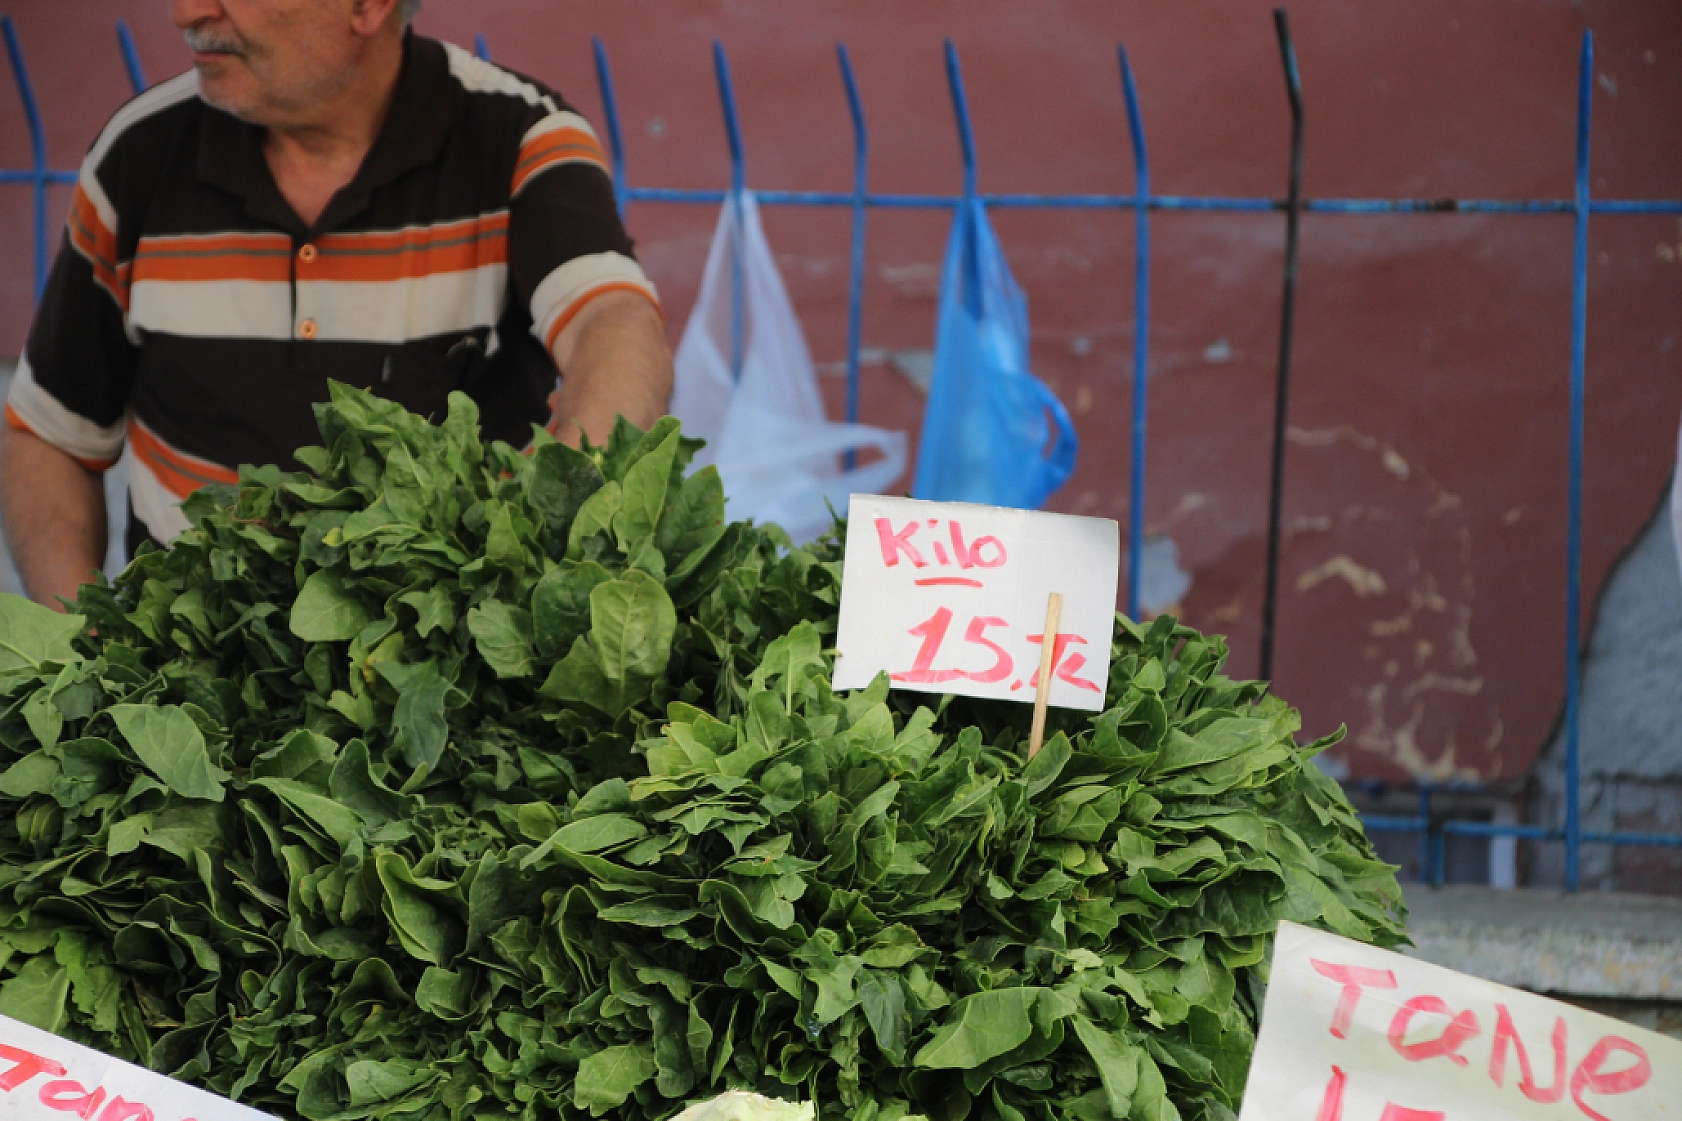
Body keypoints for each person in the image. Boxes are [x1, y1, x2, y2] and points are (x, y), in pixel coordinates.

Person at [0, 0, 671, 608]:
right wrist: (84, 647)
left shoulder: (517, 140)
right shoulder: (137, 157)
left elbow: (611, 320)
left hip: (446, 692)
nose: (186, 13)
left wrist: (572, 497)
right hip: (185, 696)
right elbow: (49, 434)